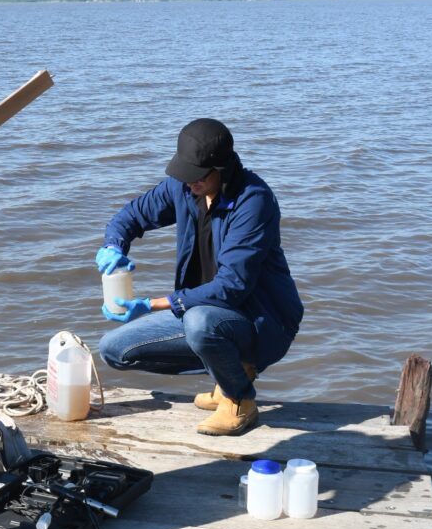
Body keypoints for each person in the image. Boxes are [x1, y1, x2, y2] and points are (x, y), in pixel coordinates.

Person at [94, 118, 303, 437]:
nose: (188, 183)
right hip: (201, 310)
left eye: (197, 177)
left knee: (200, 323)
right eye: (184, 174)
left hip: (262, 322)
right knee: (113, 349)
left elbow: (231, 288)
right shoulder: (183, 186)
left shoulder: (254, 201)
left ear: (222, 169)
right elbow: (130, 216)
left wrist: (152, 305)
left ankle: (240, 398)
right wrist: (113, 246)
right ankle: (230, 372)